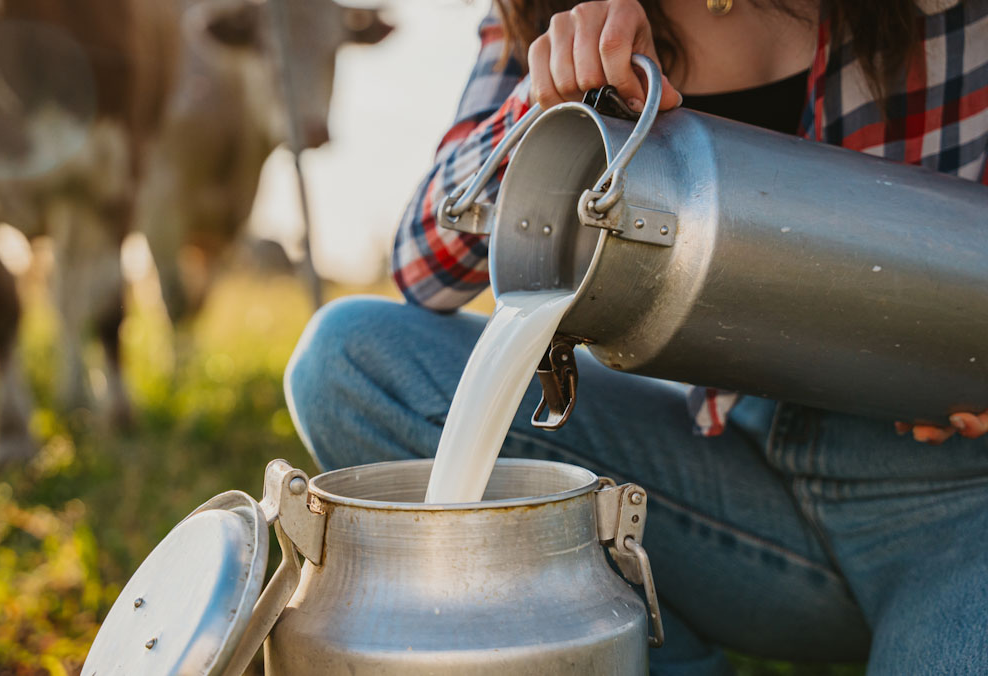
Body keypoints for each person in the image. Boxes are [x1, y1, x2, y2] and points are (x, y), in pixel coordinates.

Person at [285, 0, 988, 673]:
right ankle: (658, 660)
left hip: (953, 499)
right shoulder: (550, 12)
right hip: (733, 480)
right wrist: (548, 99)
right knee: (350, 362)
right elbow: (424, 266)